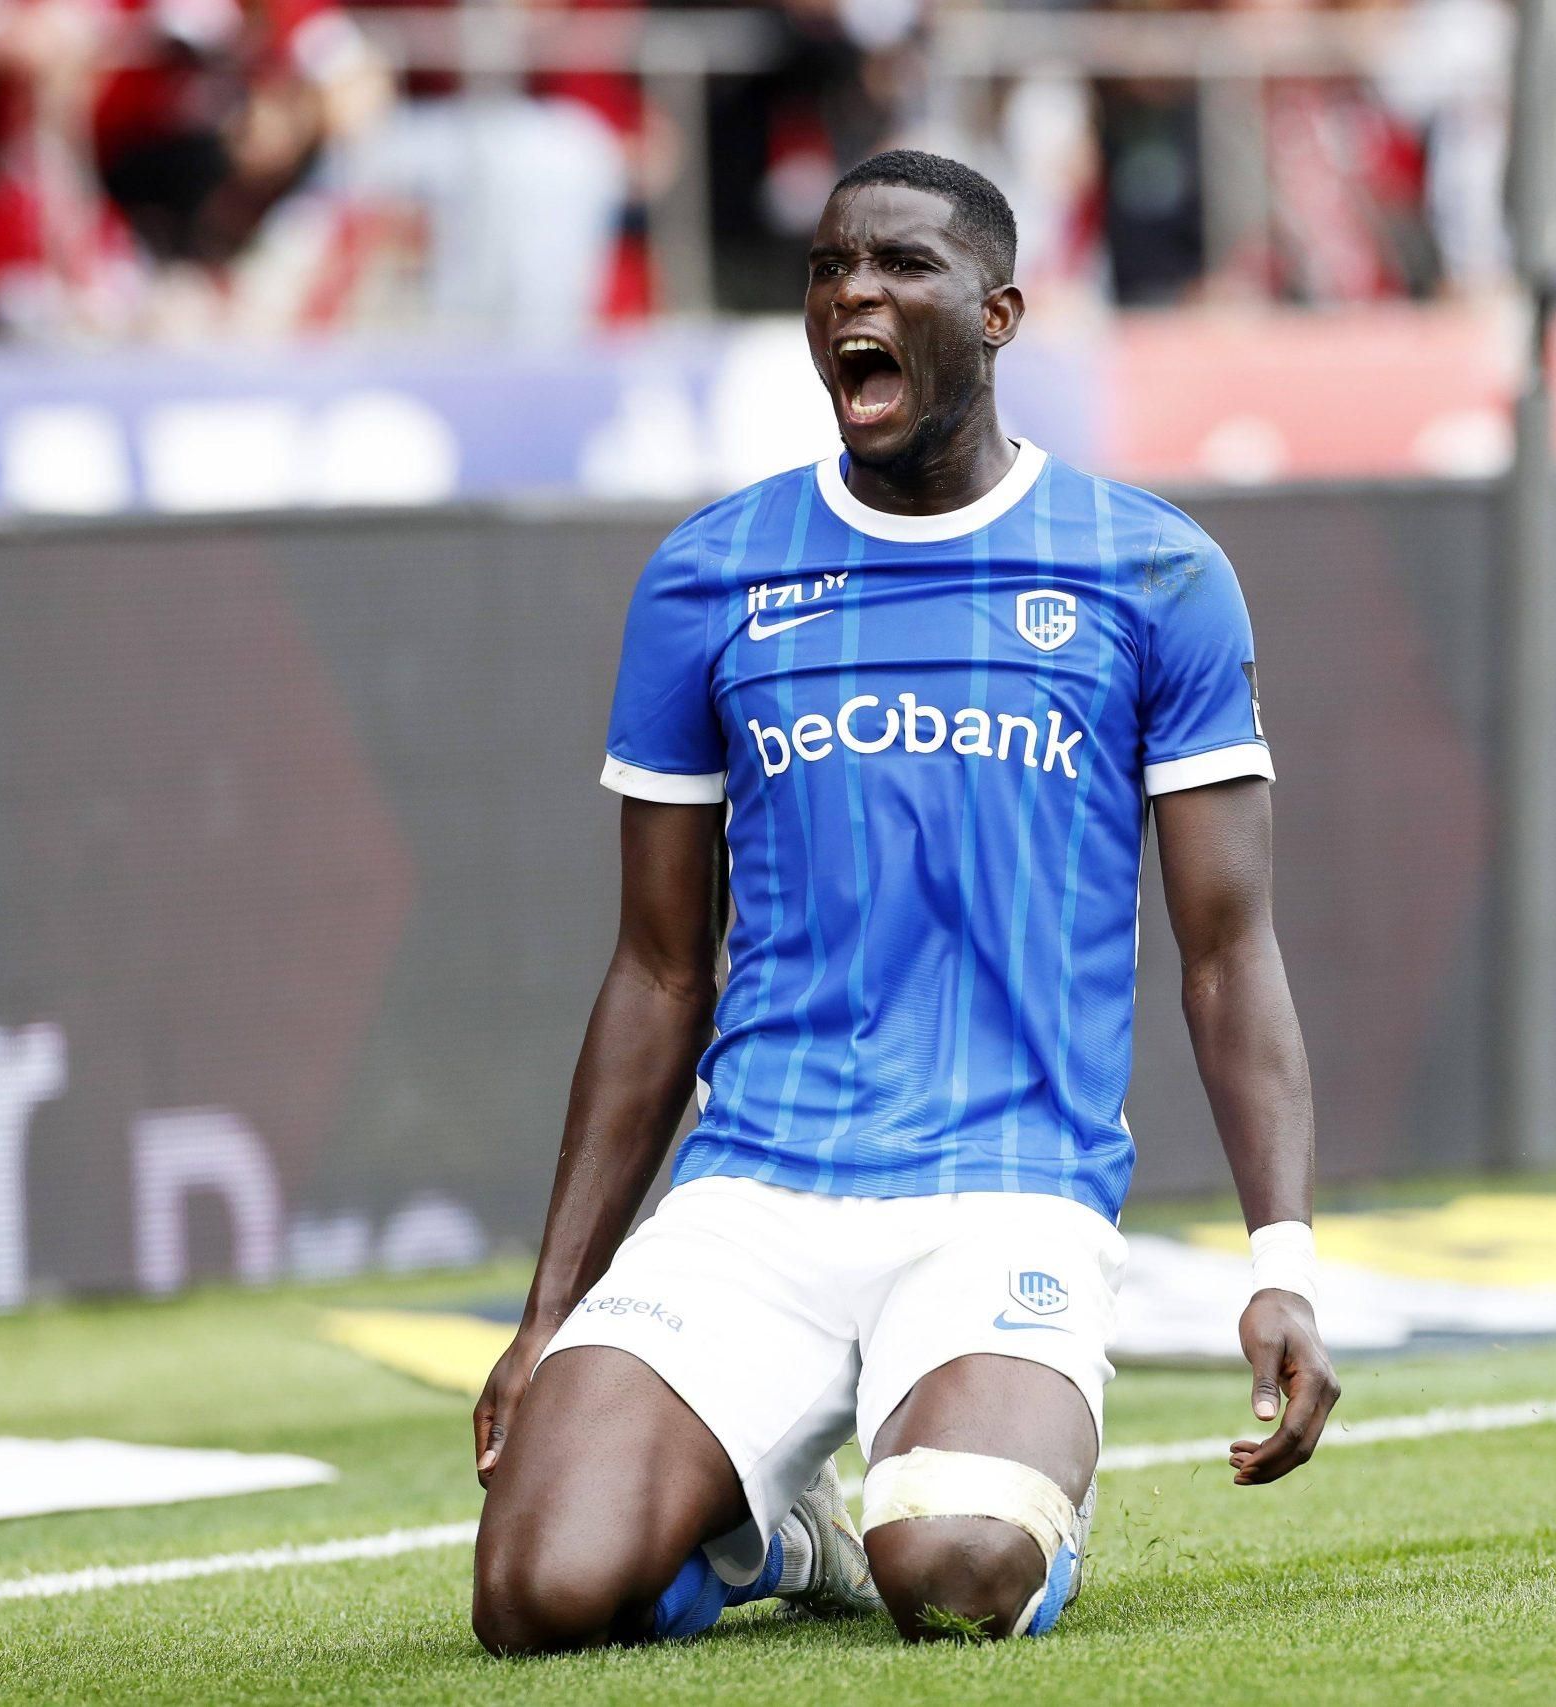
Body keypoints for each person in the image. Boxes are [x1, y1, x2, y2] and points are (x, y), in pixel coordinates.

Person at [467, 147, 1338, 1653]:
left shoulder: (1152, 572)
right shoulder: (710, 577)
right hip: (754, 1195)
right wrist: (553, 1303)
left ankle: (960, 1480)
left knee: (951, 1564)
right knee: (536, 1593)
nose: (854, 294)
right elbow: (660, 972)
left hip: (1009, 1190)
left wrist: (1284, 1263)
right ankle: (775, 1536)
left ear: (997, 315)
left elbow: (1225, 950)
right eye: (828, 268)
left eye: (901, 267)